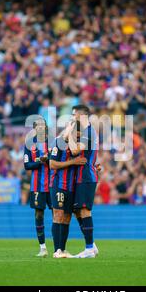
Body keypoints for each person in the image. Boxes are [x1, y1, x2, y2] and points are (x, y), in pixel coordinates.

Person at [49, 124, 87, 258]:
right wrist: (72, 162)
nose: (78, 137)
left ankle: (63, 250)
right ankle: (56, 250)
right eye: (77, 134)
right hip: (58, 185)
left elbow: (81, 162)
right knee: (58, 215)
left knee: (66, 218)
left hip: (71, 187)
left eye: (80, 135)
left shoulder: (76, 146)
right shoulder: (58, 142)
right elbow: (52, 164)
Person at [68, 105, 99, 258]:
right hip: (82, 175)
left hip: (86, 176)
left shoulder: (89, 132)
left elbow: (75, 151)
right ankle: (91, 244)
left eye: (74, 115)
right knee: (77, 210)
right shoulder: (86, 132)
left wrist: (68, 135)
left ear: (81, 116)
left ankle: (89, 249)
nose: (72, 118)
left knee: (85, 210)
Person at [24, 117, 52, 257]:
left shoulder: (53, 143)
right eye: (38, 126)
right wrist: (41, 161)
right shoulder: (30, 145)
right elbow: (27, 165)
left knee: (57, 214)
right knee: (39, 214)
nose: (40, 127)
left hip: (53, 184)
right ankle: (43, 247)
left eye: (43, 125)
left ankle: (59, 247)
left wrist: (49, 160)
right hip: (37, 186)